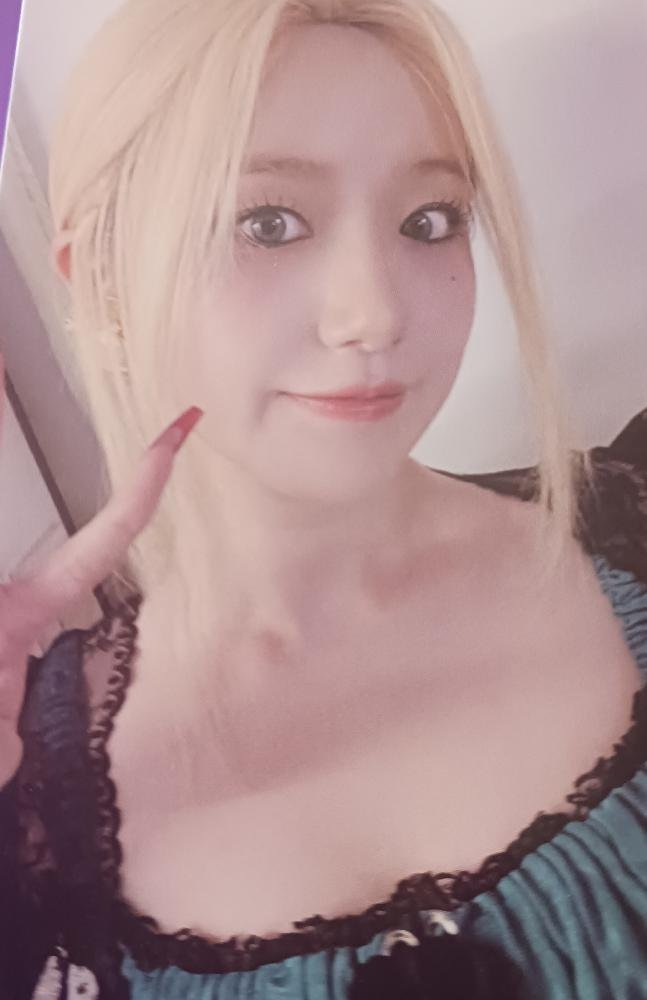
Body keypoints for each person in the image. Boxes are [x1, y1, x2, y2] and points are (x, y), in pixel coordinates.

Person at [1, 0, 646, 997]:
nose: (372, 311)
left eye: (427, 219)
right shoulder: (33, 797)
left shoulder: (627, 531)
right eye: (266, 222)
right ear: (102, 283)